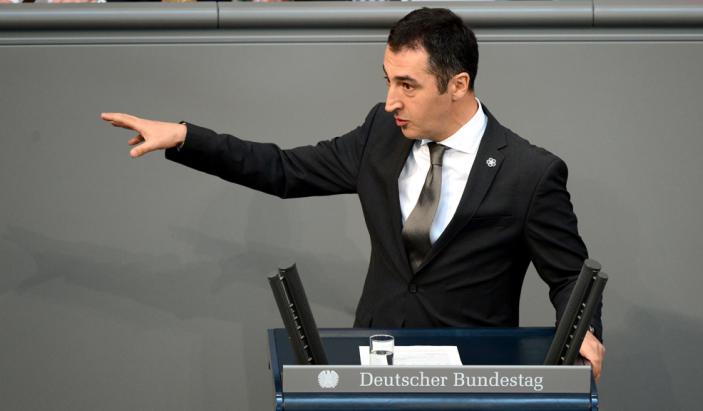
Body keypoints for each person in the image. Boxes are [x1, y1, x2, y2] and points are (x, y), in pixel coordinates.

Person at [102, 7, 605, 379]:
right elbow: (282, 170)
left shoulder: (530, 173)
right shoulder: (380, 136)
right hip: (371, 376)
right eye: (387, 81)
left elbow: (568, 279)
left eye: (407, 85)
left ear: (457, 84)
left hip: (469, 381)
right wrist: (188, 138)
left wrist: (584, 333)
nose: (391, 101)